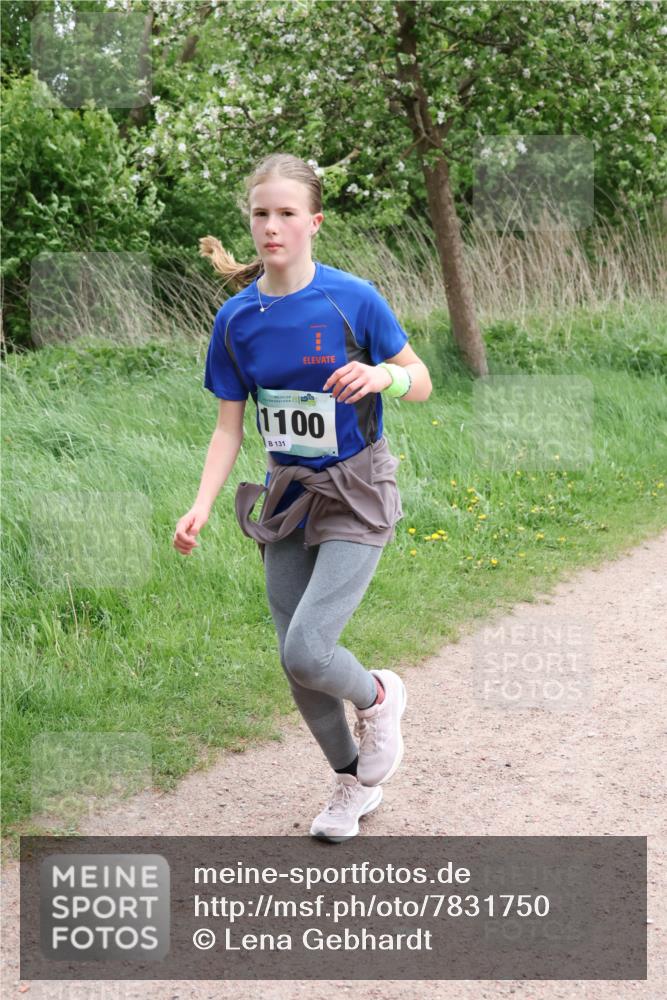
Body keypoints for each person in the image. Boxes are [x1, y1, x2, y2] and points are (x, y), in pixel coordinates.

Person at [173, 152, 432, 843]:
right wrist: (201, 503)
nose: (271, 226)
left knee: (309, 647)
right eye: (260, 214)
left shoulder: (352, 298)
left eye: (286, 213)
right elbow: (229, 427)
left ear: (313, 221)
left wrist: (382, 377)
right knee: (295, 659)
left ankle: (379, 697)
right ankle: (350, 782)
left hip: (357, 487)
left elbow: (422, 379)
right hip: (288, 494)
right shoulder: (235, 319)